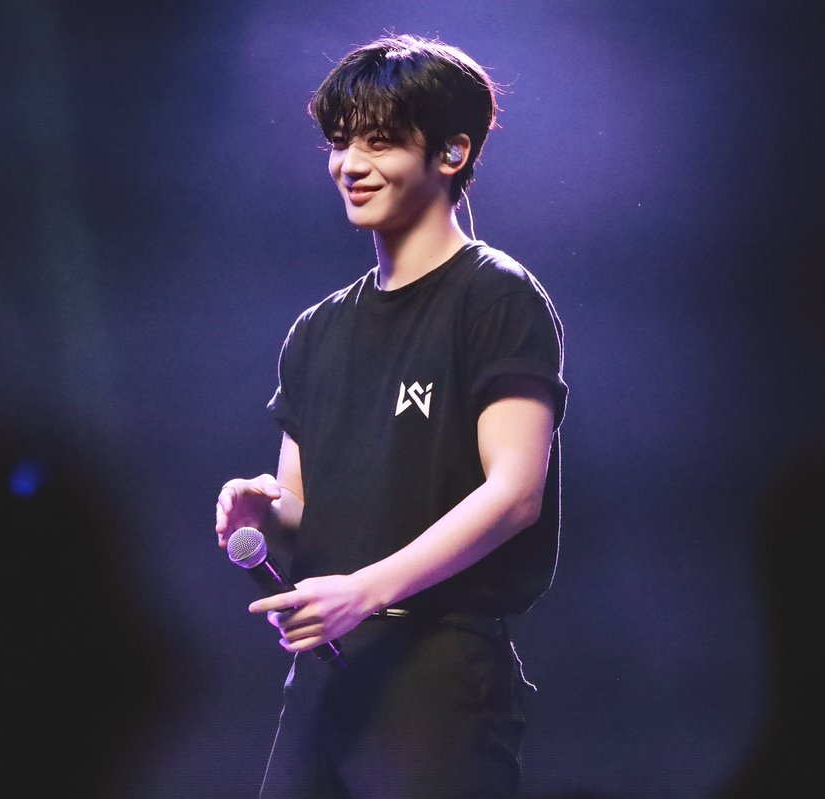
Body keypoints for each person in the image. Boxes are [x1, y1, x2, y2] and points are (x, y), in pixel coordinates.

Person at [215, 34, 567, 798]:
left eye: (379, 142)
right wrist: (263, 513)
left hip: (437, 669)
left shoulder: (496, 297)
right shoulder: (316, 330)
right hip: (324, 675)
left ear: (451, 152)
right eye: (340, 142)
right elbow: (304, 513)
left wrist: (367, 589)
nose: (350, 164)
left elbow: (515, 493)